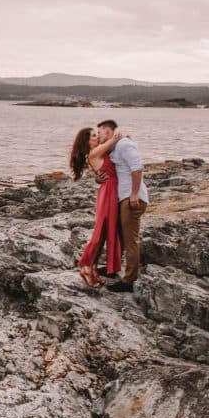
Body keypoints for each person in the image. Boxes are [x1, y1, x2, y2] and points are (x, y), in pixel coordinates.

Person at [96, 119, 149, 292]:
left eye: (100, 132)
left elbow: (137, 168)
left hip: (132, 198)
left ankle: (129, 281)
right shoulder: (114, 148)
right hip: (122, 198)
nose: (98, 136)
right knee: (117, 235)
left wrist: (134, 194)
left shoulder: (124, 145)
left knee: (130, 239)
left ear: (109, 131)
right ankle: (113, 269)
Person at [68, 126, 124, 288]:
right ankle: (86, 267)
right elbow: (115, 138)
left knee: (105, 232)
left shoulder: (97, 151)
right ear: (86, 141)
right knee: (100, 234)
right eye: (93, 136)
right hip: (108, 193)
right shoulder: (93, 153)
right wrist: (116, 134)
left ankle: (92, 267)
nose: (97, 137)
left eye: (96, 135)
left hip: (109, 190)